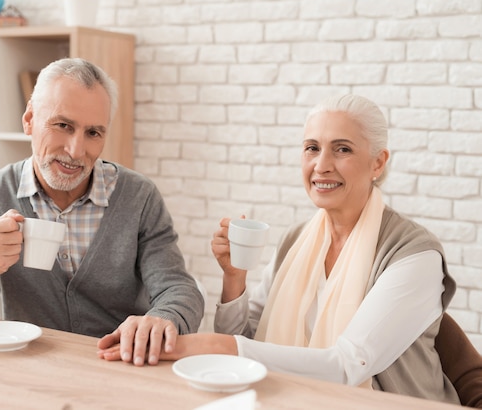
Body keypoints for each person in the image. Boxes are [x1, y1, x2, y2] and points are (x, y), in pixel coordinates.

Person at [98, 94, 461, 404]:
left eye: (343, 149)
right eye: (312, 148)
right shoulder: (297, 240)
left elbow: (347, 366)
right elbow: (249, 337)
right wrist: (234, 278)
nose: (321, 165)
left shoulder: (415, 256)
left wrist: (216, 346)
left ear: (378, 162)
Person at [0, 58, 204, 366]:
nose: (76, 151)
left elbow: (179, 290)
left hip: (117, 367)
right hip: (27, 370)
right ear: (29, 121)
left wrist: (164, 319)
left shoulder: (139, 197)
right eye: (63, 125)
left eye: (93, 132)